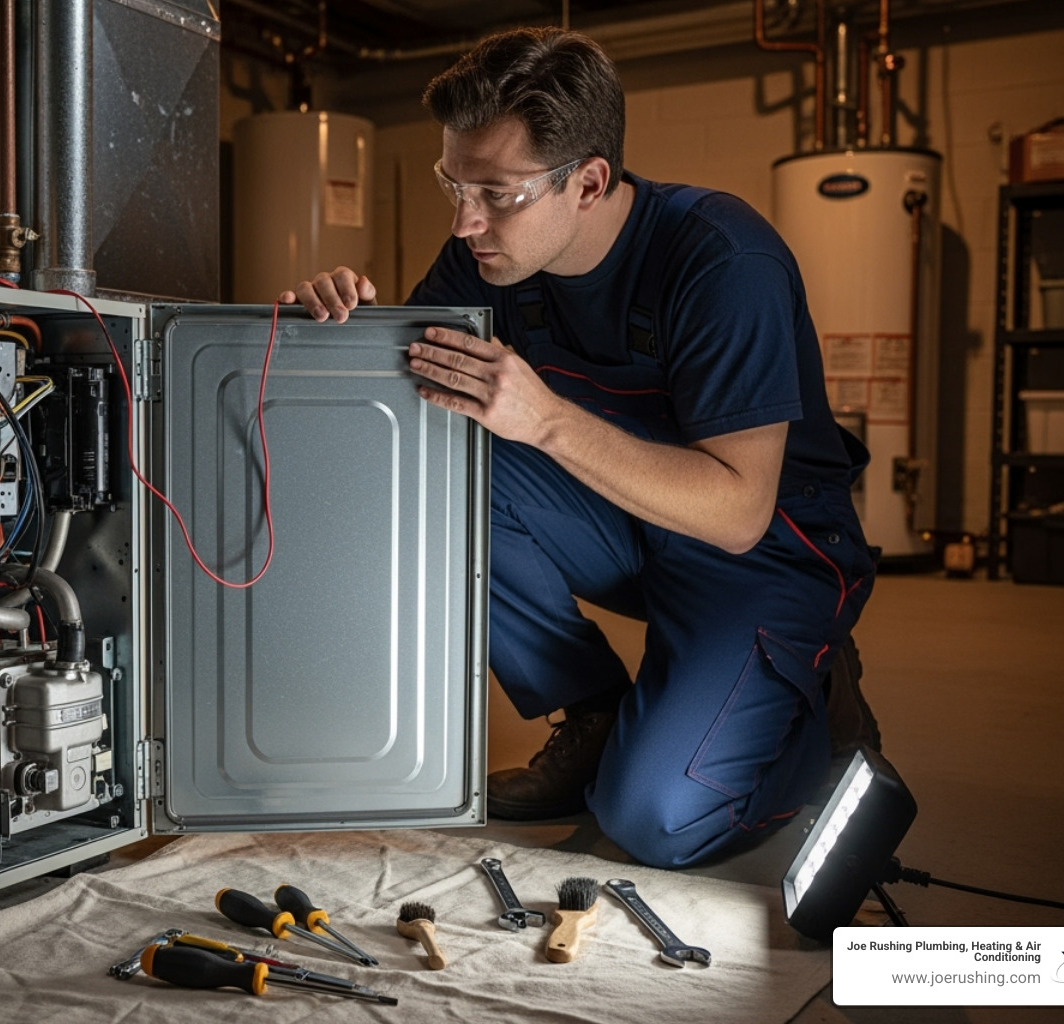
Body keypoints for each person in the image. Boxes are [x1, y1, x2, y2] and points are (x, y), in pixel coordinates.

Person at [281, 27, 877, 868]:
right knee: (438, 461)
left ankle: (813, 709)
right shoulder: (483, 258)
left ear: (589, 181)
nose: (464, 222)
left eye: (495, 192)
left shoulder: (720, 258)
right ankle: (594, 711)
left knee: (652, 822)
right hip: (619, 522)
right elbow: (397, 417)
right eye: (454, 182)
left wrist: (548, 419)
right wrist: (329, 327)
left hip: (768, 548)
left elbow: (740, 511)